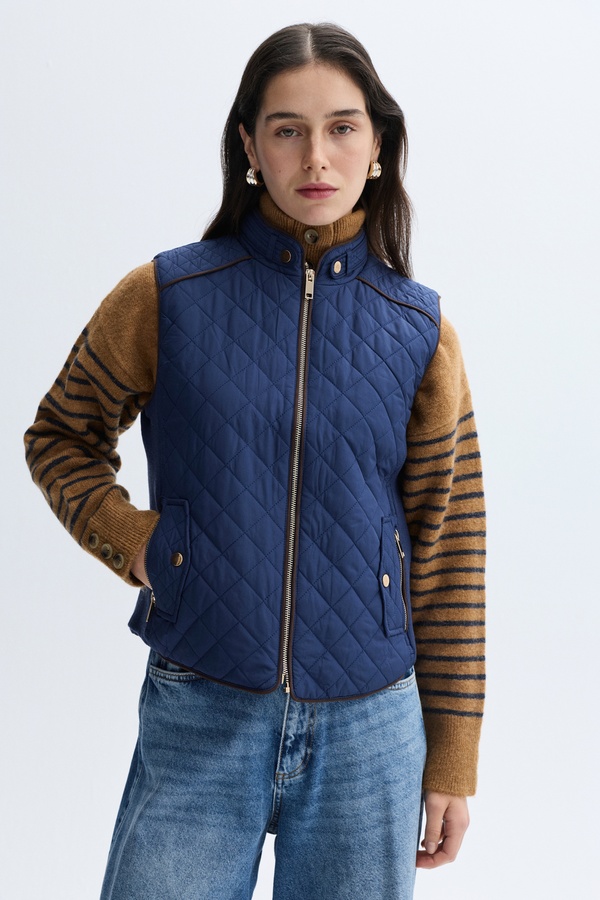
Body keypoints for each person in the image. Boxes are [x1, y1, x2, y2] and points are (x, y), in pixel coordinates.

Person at [24, 22, 485, 900]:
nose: (316, 155)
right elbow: (60, 436)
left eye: (342, 127)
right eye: (287, 129)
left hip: (369, 732)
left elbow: (451, 543)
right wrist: (139, 543)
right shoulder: (168, 296)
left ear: (378, 145)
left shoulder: (421, 332)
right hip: (200, 707)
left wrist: (452, 759)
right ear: (249, 145)